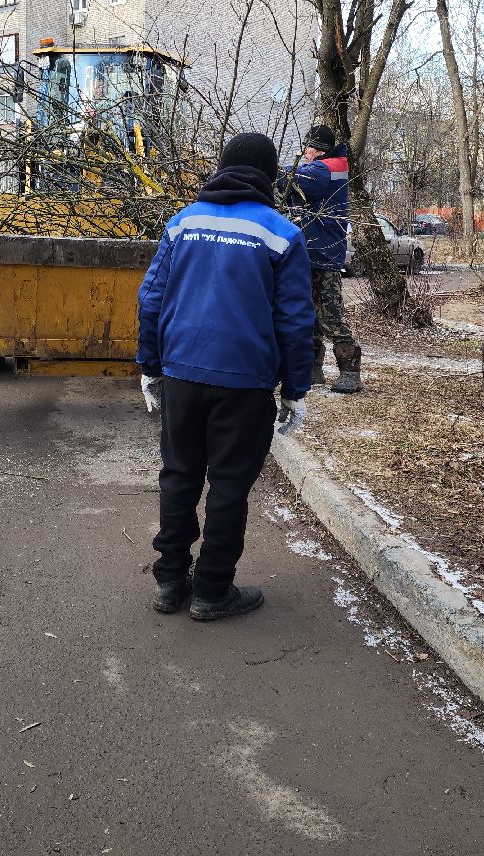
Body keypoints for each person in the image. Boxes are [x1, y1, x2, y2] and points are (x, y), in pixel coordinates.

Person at [137, 132, 316, 621]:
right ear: (269, 176)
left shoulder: (183, 223)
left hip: (182, 374)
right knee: (229, 486)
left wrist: (151, 366)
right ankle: (212, 591)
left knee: (179, 476)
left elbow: (150, 300)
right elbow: (295, 320)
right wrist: (295, 389)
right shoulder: (281, 234)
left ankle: (169, 581)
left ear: (221, 168)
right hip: (245, 383)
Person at [282, 123, 361, 394]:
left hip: (323, 253)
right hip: (312, 252)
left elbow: (291, 180)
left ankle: (350, 370)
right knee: (309, 316)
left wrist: (263, 168)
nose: (304, 152)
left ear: (319, 149)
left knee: (330, 315)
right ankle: (312, 369)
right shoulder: (325, 167)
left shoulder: (326, 169)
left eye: (308, 147)